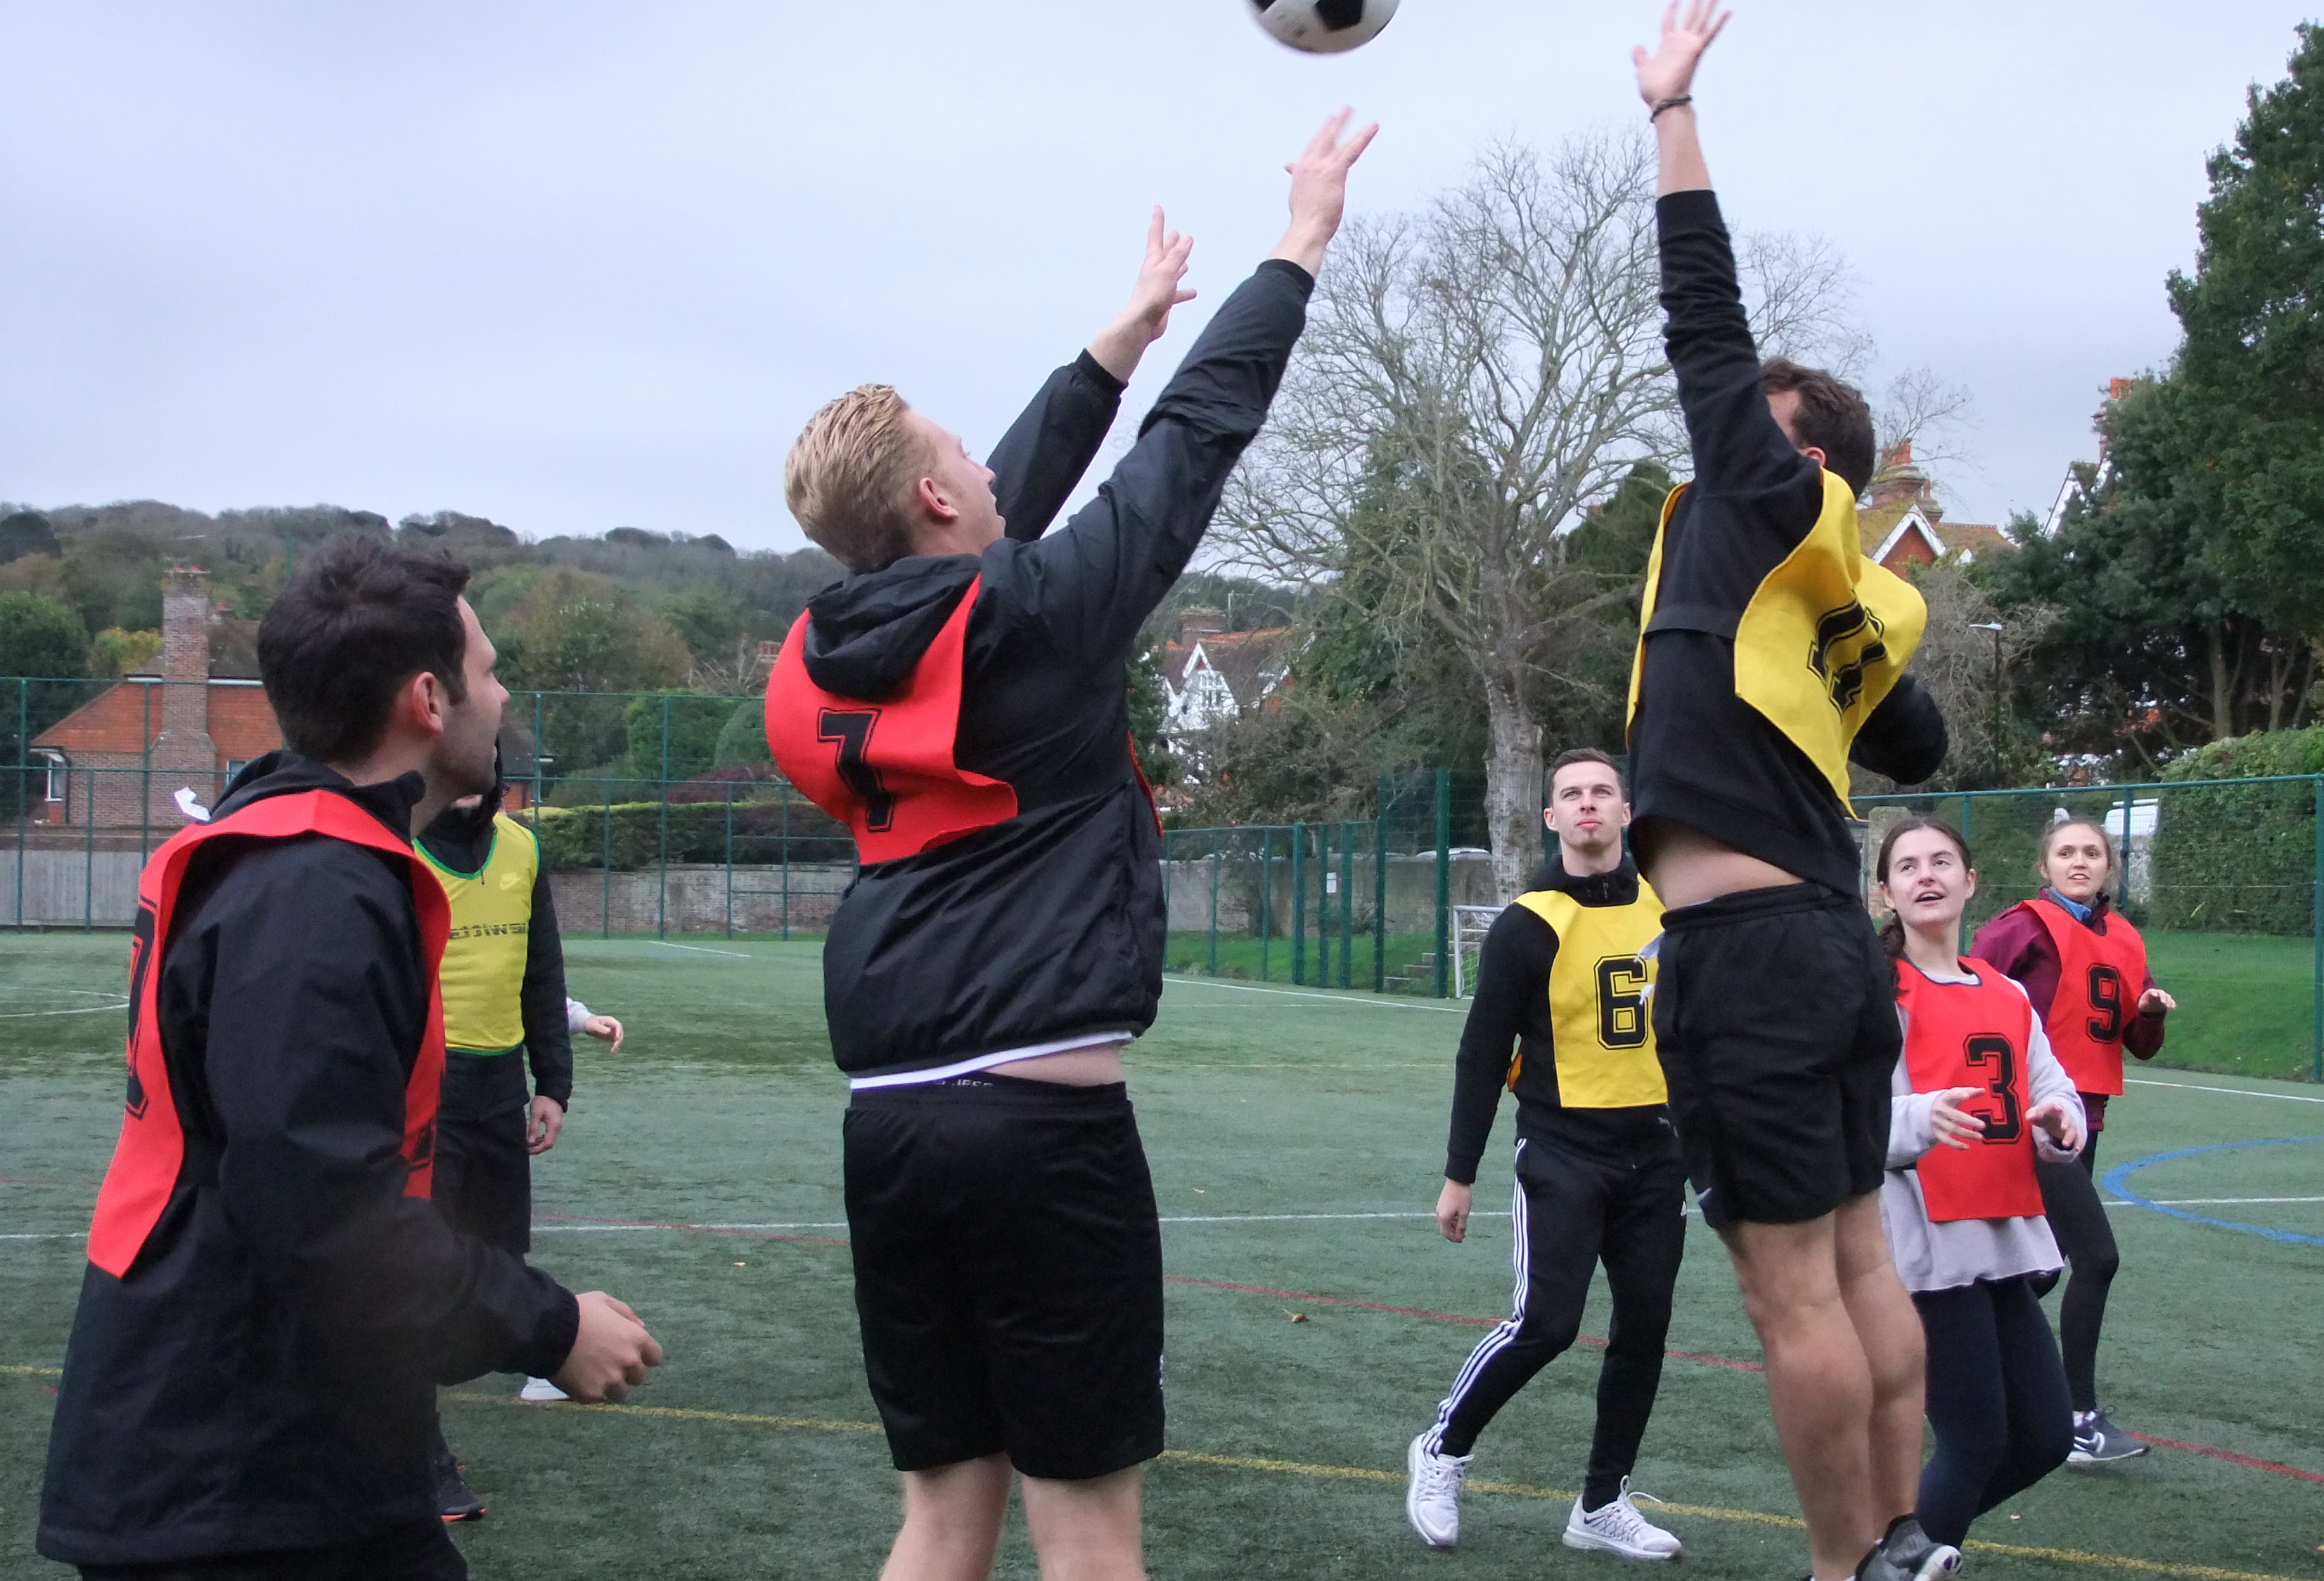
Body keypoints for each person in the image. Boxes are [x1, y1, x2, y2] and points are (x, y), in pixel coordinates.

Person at [762, 114, 1375, 1581]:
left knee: (940, 1512)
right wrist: (1293, 249)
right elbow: (1194, 442)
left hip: (891, 1124)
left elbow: (989, 523)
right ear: (931, 498)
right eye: (961, 455)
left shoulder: (804, 663)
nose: (987, 465)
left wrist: (1107, 346)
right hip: (1037, 1128)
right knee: (1084, 1518)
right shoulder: (1027, 622)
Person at [37, 535, 662, 1581]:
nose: (503, 698)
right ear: (429, 698)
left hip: (284, 1456)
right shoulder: (314, 889)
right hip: (235, 1478)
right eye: (490, 671)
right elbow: (322, 1212)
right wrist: (551, 1325)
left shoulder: (299, 848)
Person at [1621, 7, 1955, 1580]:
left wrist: (1672, 113)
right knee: (1854, 1259)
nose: (1718, 411)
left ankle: (1841, 1566)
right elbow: (1923, 748)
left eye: (1756, 406)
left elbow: (1699, 308)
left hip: (1751, 953)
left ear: (1801, 444)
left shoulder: (1765, 493)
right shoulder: (1838, 586)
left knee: (1791, 1295)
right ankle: (1898, 1540)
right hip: (1830, 939)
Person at [1408, 748, 1686, 1562]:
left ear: (1626, 810)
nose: (1589, 804)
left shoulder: (1668, 908)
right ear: (1551, 817)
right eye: (1572, 794)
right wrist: (1459, 1173)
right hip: (1564, 1147)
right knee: (1547, 1322)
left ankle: (1602, 1504)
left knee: (1646, 1325)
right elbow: (1482, 1053)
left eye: (1603, 790)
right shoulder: (1529, 921)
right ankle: (1442, 1448)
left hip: (1656, 1150)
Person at [413, 777, 633, 1520]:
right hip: (424, 1087)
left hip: (499, 1084)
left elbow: (542, 974)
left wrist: (553, 1084)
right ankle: (420, 1457)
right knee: (417, 1260)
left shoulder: (521, 848)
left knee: (498, 1250)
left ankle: (532, 1350)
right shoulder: (398, 844)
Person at [1874, 817, 2085, 1556]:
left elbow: (2053, 1091)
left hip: (2002, 1237)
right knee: (1975, 1440)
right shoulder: (1876, 990)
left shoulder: (2006, 993)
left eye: (1941, 862)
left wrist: (2063, 1124)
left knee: (2043, 1436)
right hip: (1925, 1248)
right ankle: (1879, 1567)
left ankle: (1875, 1560)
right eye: (1907, 866)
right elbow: (1840, 1118)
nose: (1925, 875)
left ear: (1970, 883)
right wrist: (1917, 1118)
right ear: (1885, 892)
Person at [1967, 817, 2174, 1464]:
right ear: (2044, 866)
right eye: (2066, 852)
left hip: (2086, 1117)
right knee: (2096, 1257)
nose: (2079, 862)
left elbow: (2135, 1045)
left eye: (2092, 852)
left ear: (2109, 865)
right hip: (2031, 1118)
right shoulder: (2020, 928)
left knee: (2038, 1268)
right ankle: (2078, 1417)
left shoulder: (2123, 938)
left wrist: (2151, 1016)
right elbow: (1966, 991)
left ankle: (1948, 1361)